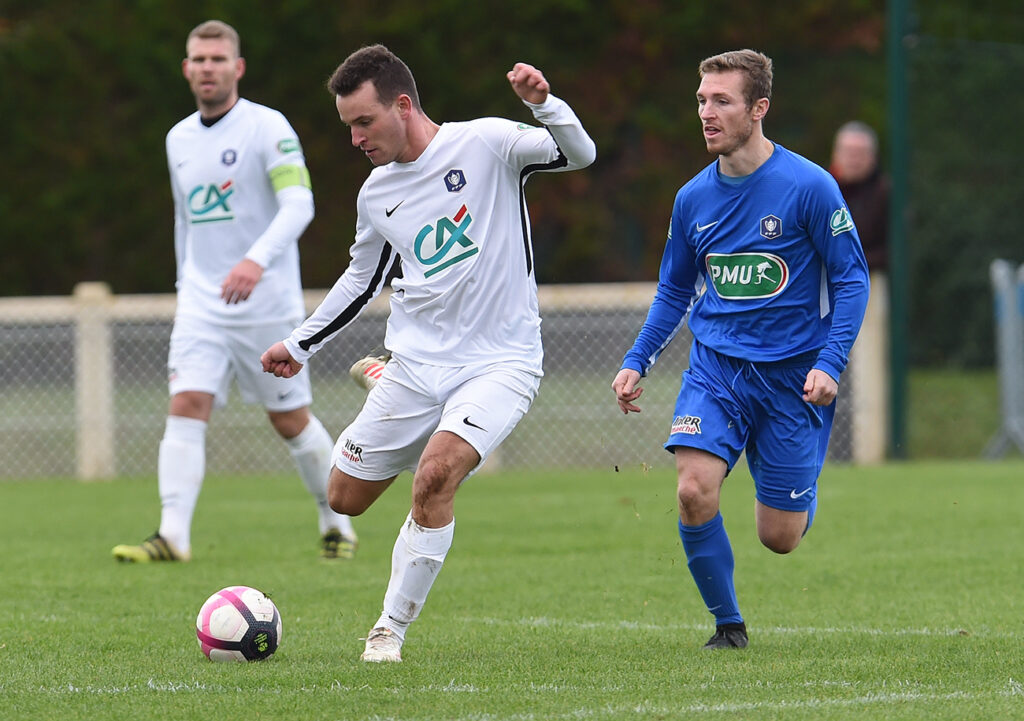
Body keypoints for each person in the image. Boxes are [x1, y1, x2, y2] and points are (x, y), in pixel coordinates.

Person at [261, 44, 595, 662]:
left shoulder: (489, 143)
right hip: (416, 366)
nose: (356, 138)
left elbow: (580, 153)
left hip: (500, 362)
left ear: (403, 105)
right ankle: (388, 381)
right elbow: (362, 280)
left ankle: (388, 629)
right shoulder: (376, 194)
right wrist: (299, 345)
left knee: (434, 478)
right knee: (344, 498)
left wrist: (545, 105)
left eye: (364, 122)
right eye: (348, 127)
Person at [611, 49, 869, 650]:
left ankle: (798, 487)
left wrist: (830, 363)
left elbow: (852, 279)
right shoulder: (692, 199)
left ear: (759, 108)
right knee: (692, 488)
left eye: (721, 100)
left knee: (779, 537)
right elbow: (675, 289)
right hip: (717, 371)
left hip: (792, 379)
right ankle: (728, 627)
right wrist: (636, 359)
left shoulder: (810, 186)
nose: (706, 112)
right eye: (702, 100)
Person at [113, 20, 357, 563]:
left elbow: (299, 204)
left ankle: (335, 521)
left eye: (218, 59)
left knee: (289, 419)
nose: (208, 68)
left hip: (266, 304)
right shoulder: (177, 137)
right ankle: (172, 535)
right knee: (187, 402)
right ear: (186, 68)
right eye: (199, 59)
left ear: (238, 68)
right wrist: (186, 286)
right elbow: (186, 223)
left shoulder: (267, 128)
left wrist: (254, 260)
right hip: (201, 304)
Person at [830, 121, 889, 273]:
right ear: (835, 154)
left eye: (861, 153)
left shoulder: (886, 193)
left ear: (873, 157)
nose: (854, 159)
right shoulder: (819, 190)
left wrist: (850, 262)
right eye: (849, 152)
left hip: (872, 277)